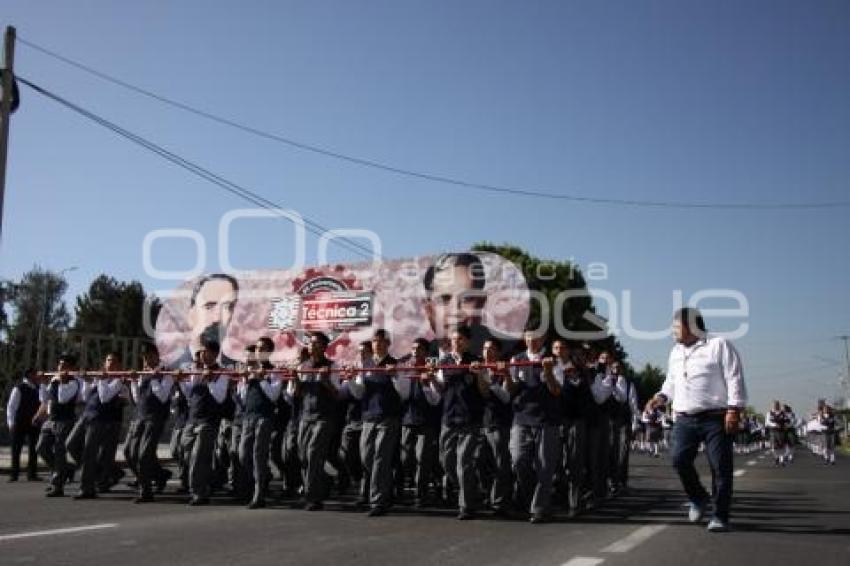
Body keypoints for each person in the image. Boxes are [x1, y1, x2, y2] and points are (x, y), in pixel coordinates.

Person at [647, 307, 747, 533]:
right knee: (678, 459)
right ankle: (698, 497)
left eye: (675, 326)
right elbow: (671, 381)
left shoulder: (718, 345)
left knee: (720, 467)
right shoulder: (675, 352)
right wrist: (661, 397)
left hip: (716, 417)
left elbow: (735, 377)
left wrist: (734, 409)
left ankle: (720, 515)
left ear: (691, 326)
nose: (672, 331)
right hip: (684, 417)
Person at [348, 329, 409, 516]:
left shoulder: (395, 364)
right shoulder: (365, 364)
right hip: (368, 417)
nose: (377, 344)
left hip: (388, 418)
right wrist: (351, 379)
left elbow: (404, 393)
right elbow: (358, 393)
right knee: (367, 457)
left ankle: (378, 501)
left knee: (380, 460)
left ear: (388, 344)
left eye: (381, 341)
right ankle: (385, 492)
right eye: (375, 341)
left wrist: (395, 376)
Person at [506, 329, 562, 524]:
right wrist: (505, 373)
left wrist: (548, 371)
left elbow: (556, 390)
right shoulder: (517, 359)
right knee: (519, 460)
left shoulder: (553, 360)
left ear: (543, 338)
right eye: (529, 336)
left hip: (547, 419)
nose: (533, 340)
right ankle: (533, 498)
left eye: (537, 336)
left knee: (545, 466)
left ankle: (538, 508)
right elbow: (511, 390)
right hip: (521, 418)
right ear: (524, 338)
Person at [434, 325, 488, 520]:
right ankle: (470, 490)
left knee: (463, 462)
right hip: (448, 418)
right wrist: (431, 378)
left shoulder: (476, 362)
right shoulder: (444, 362)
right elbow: (440, 391)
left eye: (460, 340)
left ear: (468, 342)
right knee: (446, 461)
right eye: (454, 339)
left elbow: (484, 392)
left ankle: (466, 506)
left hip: (469, 419)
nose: (456, 343)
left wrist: (479, 374)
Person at [179, 338, 231, 505]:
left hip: (208, 421)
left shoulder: (221, 373)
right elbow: (189, 394)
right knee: (185, 454)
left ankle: (199, 493)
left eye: (205, 351)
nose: (202, 355)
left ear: (214, 354)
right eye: (201, 352)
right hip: (192, 419)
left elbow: (220, 397)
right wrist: (180, 381)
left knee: (198, 458)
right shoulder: (196, 370)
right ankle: (210, 480)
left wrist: (209, 380)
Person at [292, 332, 340, 511]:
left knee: (313, 453)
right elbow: (296, 394)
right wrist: (295, 378)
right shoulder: (303, 366)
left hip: (324, 417)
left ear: (324, 347)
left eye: (316, 343)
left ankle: (312, 497)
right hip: (306, 416)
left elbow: (337, 394)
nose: (312, 346)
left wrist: (325, 380)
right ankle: (325, 479)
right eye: (310, 343)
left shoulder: (332, 366)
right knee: (304, 456)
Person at [69, 352, 126, 499]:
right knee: (71, 444)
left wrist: (101, 380)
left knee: (90, 453)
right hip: (87, 416)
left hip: (101, 420)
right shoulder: (99, 377)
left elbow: (104, 397)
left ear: (119, 365)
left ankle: (87, 488)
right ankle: (104, 473)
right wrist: (88, 381)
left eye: (113, 361)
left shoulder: (118, 380)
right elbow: (84, 396)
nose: (110, 364)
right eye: (108, 360)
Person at [238, 337, 283, 509]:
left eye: (263, 348)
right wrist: (244, 380)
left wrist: (261, 378)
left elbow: (273, 396)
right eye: (257, 348)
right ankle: (263, 478)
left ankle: (259, 494)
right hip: (249, 416)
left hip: (265, 417)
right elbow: (243, 398)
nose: (258, 351)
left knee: (258, 455)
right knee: (243, 455)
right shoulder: (250, 371)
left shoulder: (274, 372)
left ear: (270, 352)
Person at [423, 253, 496, 357]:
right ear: (428, 309)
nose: (455, 311)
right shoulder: (420, 357)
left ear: (481, 303)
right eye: (444, 299)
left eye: (466, 299)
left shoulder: (509, 353)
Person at [399, 338, 443, 508]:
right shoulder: (406, 369)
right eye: (413, 348)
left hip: (426, 421)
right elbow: (401, 394)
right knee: (405, 458)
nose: (415, 351)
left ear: (425, 352)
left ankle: (421, 494)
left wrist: (427, 382)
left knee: (422, 459)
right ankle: (431, 478)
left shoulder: (432, 370)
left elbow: (435, 400)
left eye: (419, 349)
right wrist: (398, 376)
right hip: (407, 420)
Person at [128, 344, 174, 503]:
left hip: (155, 418)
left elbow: (162, 396)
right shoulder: (144, 372)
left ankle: (145, 490)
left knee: (144, 454)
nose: (146, 360)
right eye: (144, 357)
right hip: (140, 416)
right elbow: (137, 398)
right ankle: (160, 475)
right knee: (130, 452)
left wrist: (154, 378)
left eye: (148, 356)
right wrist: (134, 382)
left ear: (156, 356)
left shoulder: (166, 373)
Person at [172, 273, 239, 368]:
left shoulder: (238, 369)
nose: (217, 318)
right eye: (209, 306)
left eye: (228, 307)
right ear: (191, 314)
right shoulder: (170, 368)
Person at [37, 354, 80, 497]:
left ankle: (58, 485)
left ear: (72, 368)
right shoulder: (55, 380)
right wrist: (43, 383)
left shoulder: (74, 382)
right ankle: (67, 469)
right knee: (41, 448)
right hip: (51, 419)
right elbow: (45, 398)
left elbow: (62, 399)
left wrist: (61, 381)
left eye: (65, 365)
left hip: (65, 420)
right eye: (60, 364)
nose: (61, 367)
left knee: (60, 452)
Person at [480, 338, 513, 517]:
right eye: (485, 348)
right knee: (479, 461)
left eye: (492, 349)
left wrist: (490, 381)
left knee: (501, 463)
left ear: (498, 352)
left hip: (499, 423)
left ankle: (499, 502)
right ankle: (487, 493)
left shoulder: (503, 370)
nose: (487, 352)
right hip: (480, 422)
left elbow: (507, 397)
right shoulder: (478, 368)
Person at [6, 368, 45, 482]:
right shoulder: (19, 388)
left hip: (34, 422)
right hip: (20, 422)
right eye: (34, 374)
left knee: (34, 448)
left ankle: (32, 474)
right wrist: (11, 422)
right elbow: (11, 407)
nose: (37, 376)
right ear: (29, 375)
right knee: (16, 449)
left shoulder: (38, 388)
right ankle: (14, 474)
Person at [609, 360, 639, 494]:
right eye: (613, 367)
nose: (616, 369)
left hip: (623, 421)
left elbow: (633, 405)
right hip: (609, 421)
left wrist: (635, 423)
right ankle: (610, 481)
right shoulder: (606, 382)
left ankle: (621, 481)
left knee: (623, 452)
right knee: (610, 451)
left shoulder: (628, 384)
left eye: (618, 367)